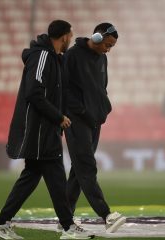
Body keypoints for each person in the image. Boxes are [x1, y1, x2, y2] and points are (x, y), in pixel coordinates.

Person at [0, 20, 94, 240]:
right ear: (64, 36)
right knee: (55, 177)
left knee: (31, 177)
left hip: (45, 130)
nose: (71, 39)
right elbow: (34, 93)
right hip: (39, 131)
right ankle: (68, 227)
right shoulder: (42, 57)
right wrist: (59, 117)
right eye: (71, 36)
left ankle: (1, 223)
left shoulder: (55, 59)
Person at [62, 22, 126, 234]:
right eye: (107, 44)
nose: (108, 49)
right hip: (76, 120)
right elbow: (64, 89)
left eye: (111, 47)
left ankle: (65, 219)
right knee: (87, 167)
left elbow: (102, 88)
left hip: (93, 121)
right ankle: (106, 215)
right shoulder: (72, 56)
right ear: (97, 37)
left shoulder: (102, 58)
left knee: (78, 172)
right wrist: (80, 111)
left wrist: (102, 110)